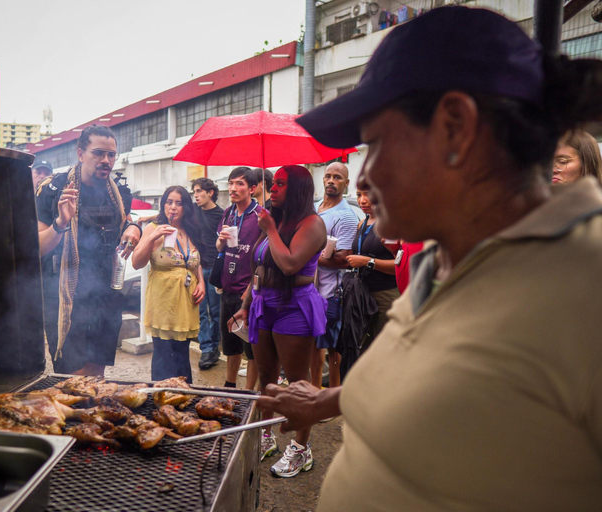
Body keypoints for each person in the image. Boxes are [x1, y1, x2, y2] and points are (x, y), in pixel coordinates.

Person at [258, 6, 602, 510]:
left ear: (455, 127)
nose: (365, 177)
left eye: (374, 144)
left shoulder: (586, 285)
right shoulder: (445, 258)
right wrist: (327, 400)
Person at [231, 165, 327, 478]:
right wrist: (245, 305)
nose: (273, 188)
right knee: (267, 377)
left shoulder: (312, 224)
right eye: (274, 183)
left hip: (294, 307)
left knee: (299, 383)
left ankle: (301, 449)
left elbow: (288, 265)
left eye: (281, 184)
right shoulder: (276, 219)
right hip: (263, 304)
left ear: (297, 189)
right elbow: (260, 270)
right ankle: (267, 436)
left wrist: (270, 229)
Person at [35, 125, 141, 376]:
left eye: (111, 155)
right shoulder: (53, 190)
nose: (106, 160)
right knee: (72, 377)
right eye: (98, 153)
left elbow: (127, 221)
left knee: (97, 375)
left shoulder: (119, 192)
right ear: (80, 153)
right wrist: (60, 224)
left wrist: (135, 227)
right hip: (65, 293)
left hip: (105, 291)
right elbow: (37, 247)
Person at [132, 186, 205, 382]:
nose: (173, 207)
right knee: (165, 355)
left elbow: (194, 262)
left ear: (186, 208)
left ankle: (184, 396)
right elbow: (136, 262)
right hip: (163, 302)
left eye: (179, 203)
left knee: (182, 354)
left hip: (186, 303)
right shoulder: (153, 228)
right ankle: (162, 397)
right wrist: (153, 238)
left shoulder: (190, 230)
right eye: (169, 202)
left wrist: (202, 283)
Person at [310, 161, 359, 390]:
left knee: (332, 346)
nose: (331, 180)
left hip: (331, 292)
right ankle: (315, 390)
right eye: (328, 176)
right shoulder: (315, 208)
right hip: (309, 289)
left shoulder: (346, 216)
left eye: (337, 177)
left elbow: (343, 258)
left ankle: (334, 395)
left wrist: (309, 256)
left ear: (346, 183)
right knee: (314, 344)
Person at [216, 167, 261, 390]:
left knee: (251, 346)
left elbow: (264, 259)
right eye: (231, 183)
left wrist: (250, 292)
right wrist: (222, 240)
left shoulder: (261, 216)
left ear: (252, 189)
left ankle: (249, 394)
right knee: (230, 343)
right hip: (228, 287)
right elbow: (219, 248)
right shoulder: (228, 213)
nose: (233, 188)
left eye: (240, 184)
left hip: (249, 292)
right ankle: (229, 386)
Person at [345, 185, 399, 354]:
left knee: (385, 350)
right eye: (359, 195)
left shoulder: (391, 224)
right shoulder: (362, 223)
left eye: (368, 195)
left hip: (385, 295)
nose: (362, 201)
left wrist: (368, 261)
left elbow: (400, 264)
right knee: (363, 350)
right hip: (362, 295)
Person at [191, 177, 224, 369]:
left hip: (214, 267)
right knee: (201, 311)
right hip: (197, 268)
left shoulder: (221, 214)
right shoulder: (193, 212)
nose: (196, 195)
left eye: (199, 191)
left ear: (210, 193)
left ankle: (213, 348)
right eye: (194, 191)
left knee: (215, 312)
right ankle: (207, 348)